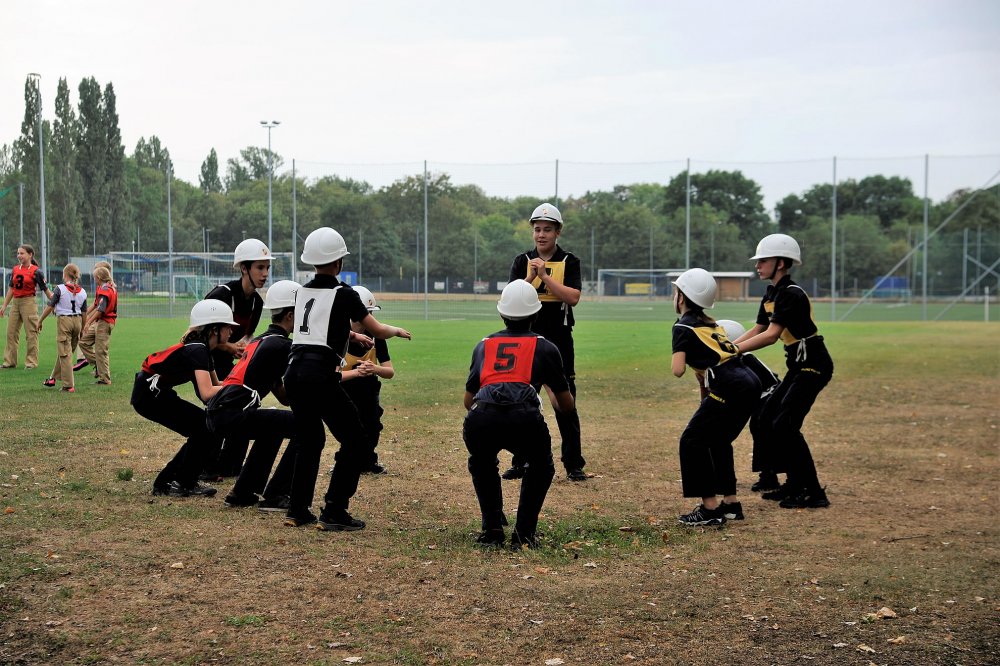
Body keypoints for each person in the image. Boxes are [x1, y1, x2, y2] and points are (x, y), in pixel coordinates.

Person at [283, 227, 411, 530]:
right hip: (320, 375)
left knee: (310, 440)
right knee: (356, 441)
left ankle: (297, 510)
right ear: (339, 262)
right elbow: (377, 329)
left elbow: (315, 328)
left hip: (294, 372)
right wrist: (396, 330)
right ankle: (334, 511)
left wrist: (351, 335)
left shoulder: (301, 292)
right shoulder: (345, 293)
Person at [463, 280, 574, 550]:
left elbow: (468, 401)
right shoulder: (546, 347)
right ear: (536, 314)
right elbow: (566, 406)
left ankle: (492, 530)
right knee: (541, 466)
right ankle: (523, 534)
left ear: (501, 313)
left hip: (481, 416)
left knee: (482, 462)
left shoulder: (483, 345)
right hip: (523, 418)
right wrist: (547, 388)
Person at [732, 233, 833, 509]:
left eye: (763, 260)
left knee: (786, 424)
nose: (757, 265)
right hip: (798, 366)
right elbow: (758, 329)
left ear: (781, 263)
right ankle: (793, 483)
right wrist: (726, 347)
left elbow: (771, 336)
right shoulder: (771, 293)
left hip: (813, 365)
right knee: (766, 418)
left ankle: (813, 492)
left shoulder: (791, 294)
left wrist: (732, 352)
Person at [671, 269, 761, 527]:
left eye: (676, 292)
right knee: (719, 440)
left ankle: (710, 509)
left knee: (692, 441)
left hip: (729, 384)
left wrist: (683, 353)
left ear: (681, 297)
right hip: (749, 380)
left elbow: (678, 370)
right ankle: (731, 504)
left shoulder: (682, 327)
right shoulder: (713, 324)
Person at [504, 202, 587, 482]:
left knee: (565, 403)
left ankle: (573, 464)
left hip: (559, 341)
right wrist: (530, 275)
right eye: (537, 229)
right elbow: (511, 297)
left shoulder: (569, 261)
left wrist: (545, 277)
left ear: (557, 232)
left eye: (547, 230)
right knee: (521, 401)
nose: (541, 235)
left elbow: (573, 297)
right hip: (525, 340)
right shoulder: (522, 260)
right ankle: (520, 461)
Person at [207, 280, 300, 508]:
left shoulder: (262, 341)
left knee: (273, 427)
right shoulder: (282, 345)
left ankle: (242, 493)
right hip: (232, 412)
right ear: (290, 315)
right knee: (305, 426)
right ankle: (276, 494)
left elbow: (283, 397)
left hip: (221, 411)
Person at [132, 300, 235, 498]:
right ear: (214, 329)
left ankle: (179, 481)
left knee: (205, 428)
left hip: (156, 394)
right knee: (204, 428)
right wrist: (237, 388)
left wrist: (240, 384)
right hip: (149, 397)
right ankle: (175, 482)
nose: (231, 331)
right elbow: (207, 393)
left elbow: (216, 385)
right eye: (227, 326)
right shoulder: (198, 350)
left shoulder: (202, 349)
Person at [202, 238, 271, 478]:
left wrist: (243, 348)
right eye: (259, 267)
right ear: (244, 268)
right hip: (205, 361)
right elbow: (199, 336)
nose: (265, 274)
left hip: (227, 364)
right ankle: (206, 466)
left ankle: (229, 465)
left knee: (240, 407)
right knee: (220, 410)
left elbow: (247, 337)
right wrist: (230, 347)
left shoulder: (257, 303)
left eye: (267, 267)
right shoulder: (222, 294)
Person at [717, 319, 782, 496]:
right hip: (763, 398)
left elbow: (766, 383)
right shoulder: (735, 358)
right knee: (760, 432)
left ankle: (770, 477)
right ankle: (768, 475)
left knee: (763, 432)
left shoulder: (742, 358)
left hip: (769, 397)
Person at [340, 285, 396, 475]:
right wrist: (355, 372)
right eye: (367, 313)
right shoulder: (339, 336)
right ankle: (344, 461)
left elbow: (389, 372)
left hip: (369, 390)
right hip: (345, 390)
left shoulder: (377, 337)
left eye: (371, 313)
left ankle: (369, 462)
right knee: (348, 427)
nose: (370, 318)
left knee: (372, 426)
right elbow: (332, 373)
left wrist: (374, 368)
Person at [1, 244, 53, 369]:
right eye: (18, 253)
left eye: (22, 253)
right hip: (15, 303)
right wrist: (4, 305)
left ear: (30, 255)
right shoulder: (15, 269)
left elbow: (45, 289)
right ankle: (9, 361)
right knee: (11, 333)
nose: (19, 256)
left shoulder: (36, 271)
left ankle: (31, 362)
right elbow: (11, 289)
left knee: (31, 333)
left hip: (28, 302)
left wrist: (54, 301)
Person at [38, 264, 88, 393]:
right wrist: (83, 329)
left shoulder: (60, 289)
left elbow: (50, 306)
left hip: (65, 321)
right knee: (65, 352)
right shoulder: (83, 292)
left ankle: (68, 385)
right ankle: (53, 378)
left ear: (65, 275)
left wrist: (40, 320)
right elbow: (84, 313)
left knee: (65, 354)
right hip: (77, 321)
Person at [77, 264, 117, 385]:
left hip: (105, 322)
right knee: (82, 341)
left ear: (99, 277)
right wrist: (84, 315)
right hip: (101, 322)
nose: (94, 280)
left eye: (95, 277)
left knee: (101, 351)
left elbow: (100, 310)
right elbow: (95, 305)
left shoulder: (106, 290)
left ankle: (105, 379)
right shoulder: (104, 288)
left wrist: (88, 321)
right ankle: (98, 365)